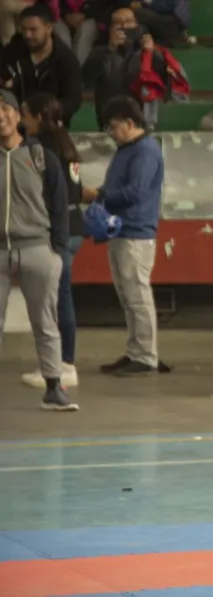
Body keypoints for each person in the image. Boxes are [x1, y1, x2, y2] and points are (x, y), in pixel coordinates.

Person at [0, 88, 76, 411]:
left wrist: (57, 251)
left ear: (18, 116)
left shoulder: (41, 156)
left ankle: (53, 387)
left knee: (44, 321)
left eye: (5, 108)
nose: (0, 116)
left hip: (37, 247)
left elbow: (60, 205)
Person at [82, 95, 164, 377]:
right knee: (127, 295)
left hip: (136, 233)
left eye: (113, 127)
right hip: (120, 229)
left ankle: (146, 355)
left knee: (138, 295)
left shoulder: (145, 151)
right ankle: (136, 350)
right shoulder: (126, 149)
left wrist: (98, 195)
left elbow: (136, 193)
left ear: (130, 123)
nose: (111, 134)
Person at [19, 92, 85, 390]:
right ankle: (61, 362)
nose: (22, 120)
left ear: (38, 116)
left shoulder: (40, 149)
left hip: (57, 231)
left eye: (25, 113)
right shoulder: (65, 142)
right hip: (73, 229)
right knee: (61, 295)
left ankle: (61, 364)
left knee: (55, 299)